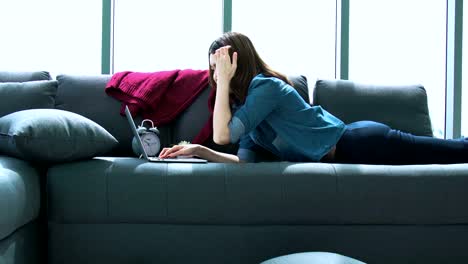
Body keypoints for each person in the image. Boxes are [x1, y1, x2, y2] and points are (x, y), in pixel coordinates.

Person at [159, 31, 468, 165]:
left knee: (450, 152)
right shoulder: (248, 113)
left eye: (221, 68)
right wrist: (199, 150)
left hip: (358, 142)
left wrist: (224, 79)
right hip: (350, 149)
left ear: (237, 63)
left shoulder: (264, 88)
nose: (215, 76)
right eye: (213, 70)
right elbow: (243, 160)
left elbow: (222, 134)